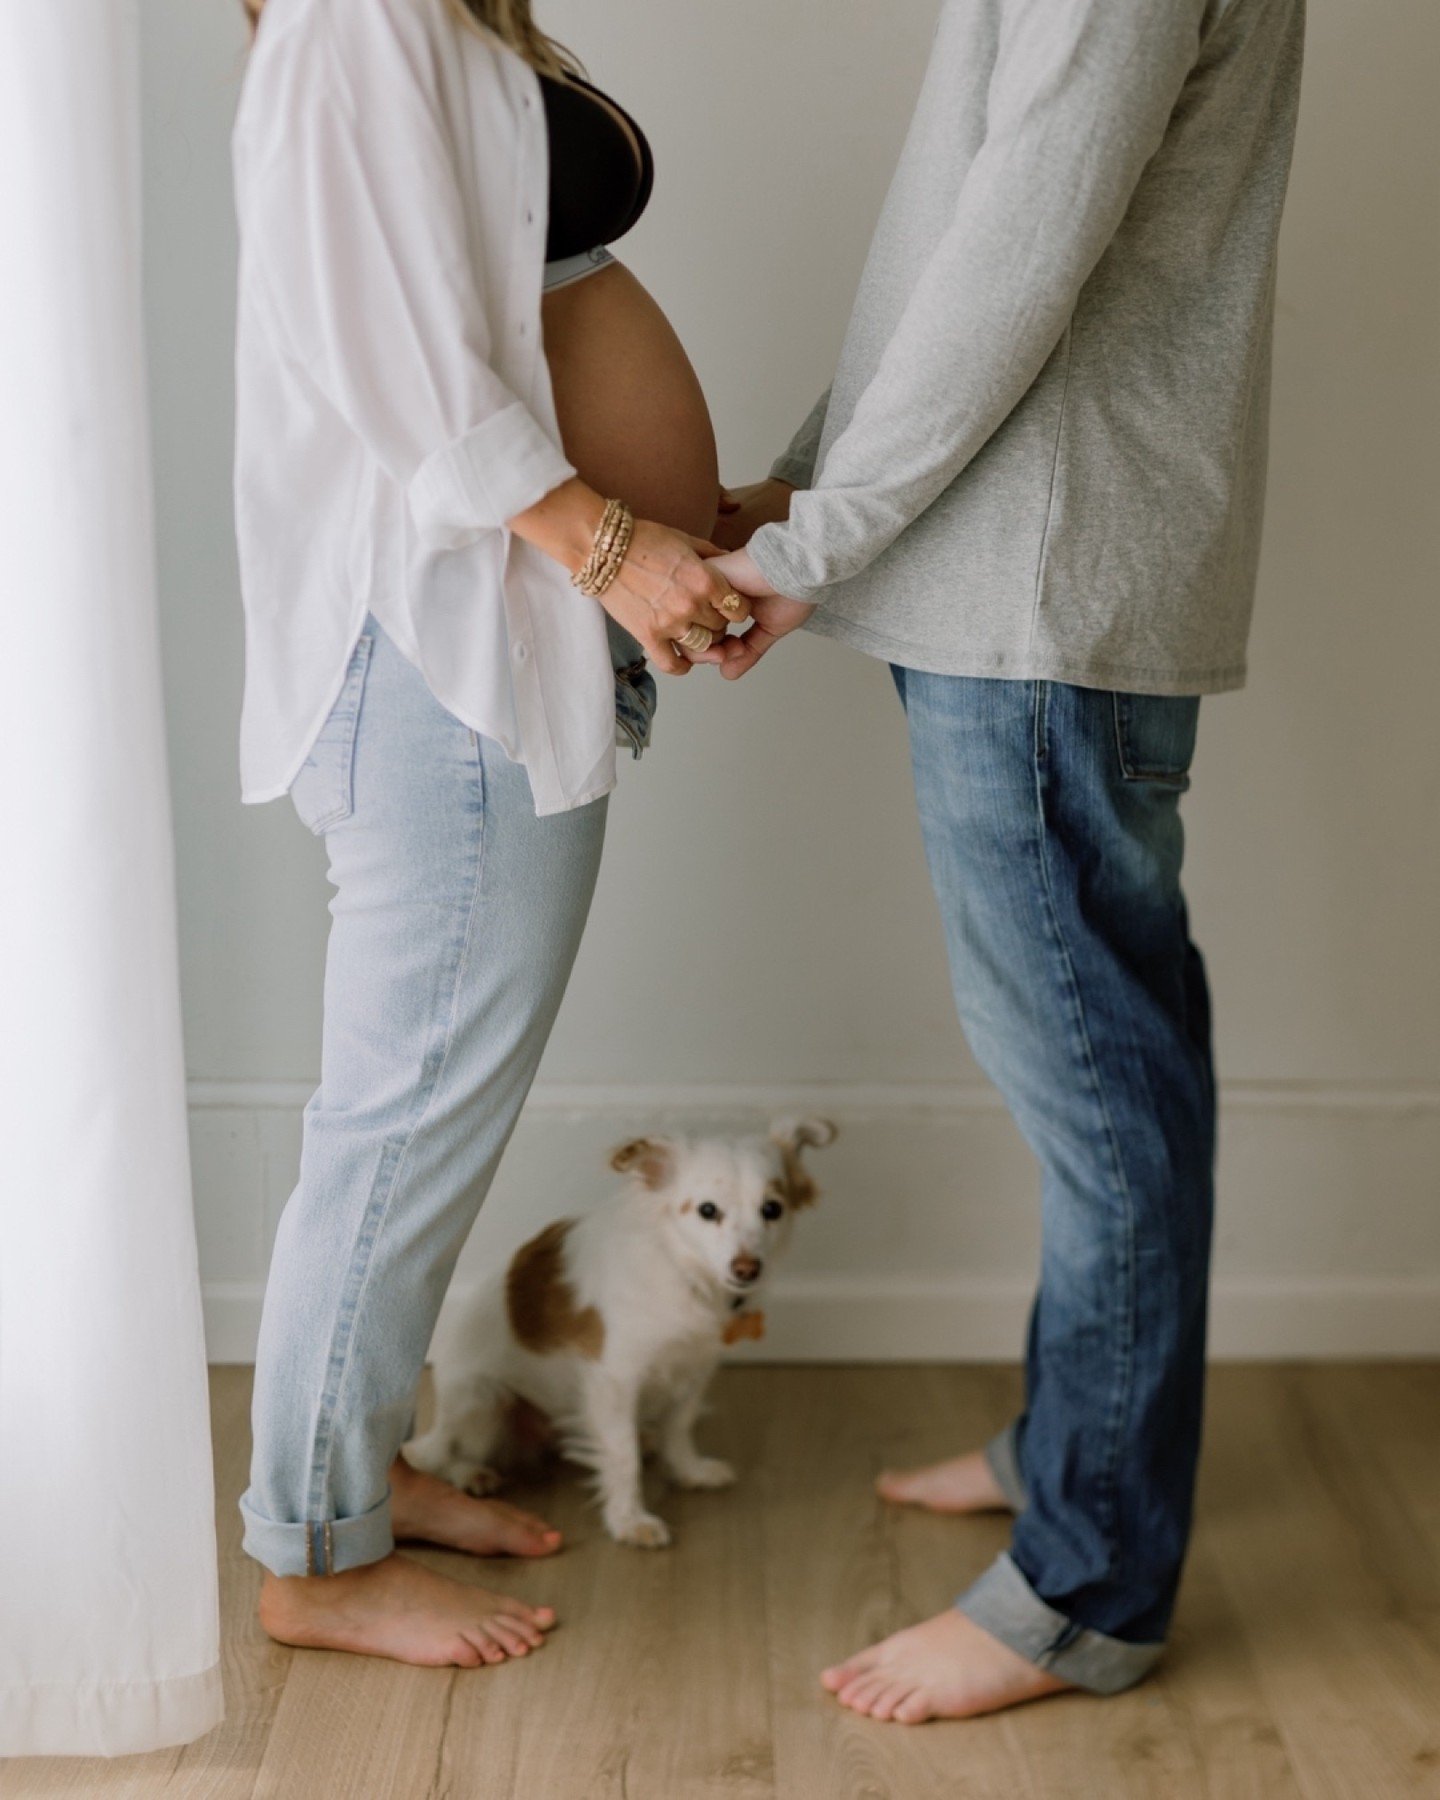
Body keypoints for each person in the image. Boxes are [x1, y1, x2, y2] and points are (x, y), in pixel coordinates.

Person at [711, 0, 1304, 1724]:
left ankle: (1083, 1587)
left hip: (1034, 584)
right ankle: (1074, 1447)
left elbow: (1019, 251)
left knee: (1102, 1101)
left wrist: (818, 532)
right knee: (1119, 1076)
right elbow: (971, 233)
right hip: (1017, 570)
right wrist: (807, 490)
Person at [231, 0, 744, 1668]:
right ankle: (313, 1557)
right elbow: (391, 355)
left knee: (424, 1117)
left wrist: (700, 525)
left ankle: (358, 1472)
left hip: (509, 639)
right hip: (440, 646)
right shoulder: (348, 17)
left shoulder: (447, 15)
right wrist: (615, 547)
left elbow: (511, 319)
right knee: (398, 1127)